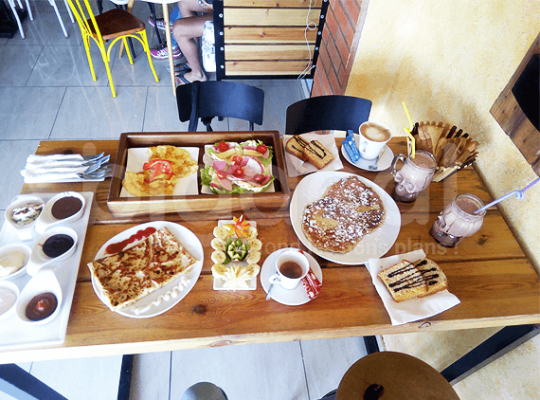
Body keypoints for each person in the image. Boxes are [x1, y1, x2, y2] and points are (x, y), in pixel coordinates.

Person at [171, 0, 213, 85]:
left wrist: (209, 4)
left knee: (178, 30)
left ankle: (198, 74)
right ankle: (197, 62)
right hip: (227, 7)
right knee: (183, 3)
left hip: (231, 17)